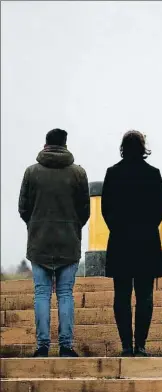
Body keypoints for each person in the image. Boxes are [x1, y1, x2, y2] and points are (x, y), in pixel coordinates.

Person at [18, 128, 90, 358]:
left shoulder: (31, 172)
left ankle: (42, 346)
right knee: (65, 294)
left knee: (41, 293)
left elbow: (23, 208)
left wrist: (36, 225)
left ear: (45, 144)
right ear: (65, 145)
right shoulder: (78, 173)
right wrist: (72, 226)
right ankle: (66, 346)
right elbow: (85, 210)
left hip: (39, 243)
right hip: (68, 243)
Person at [101, 130, 162, 357]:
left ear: (122, 147)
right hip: (146, 241)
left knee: (121, 295)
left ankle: (126, 345)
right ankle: (141, 345)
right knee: (145, 295)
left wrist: (119, 229)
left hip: (120, 241)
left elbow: (105, 210)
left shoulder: (112, 173)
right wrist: (146, 228)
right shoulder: (153, 173)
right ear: (142, 147)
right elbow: (160, 210)